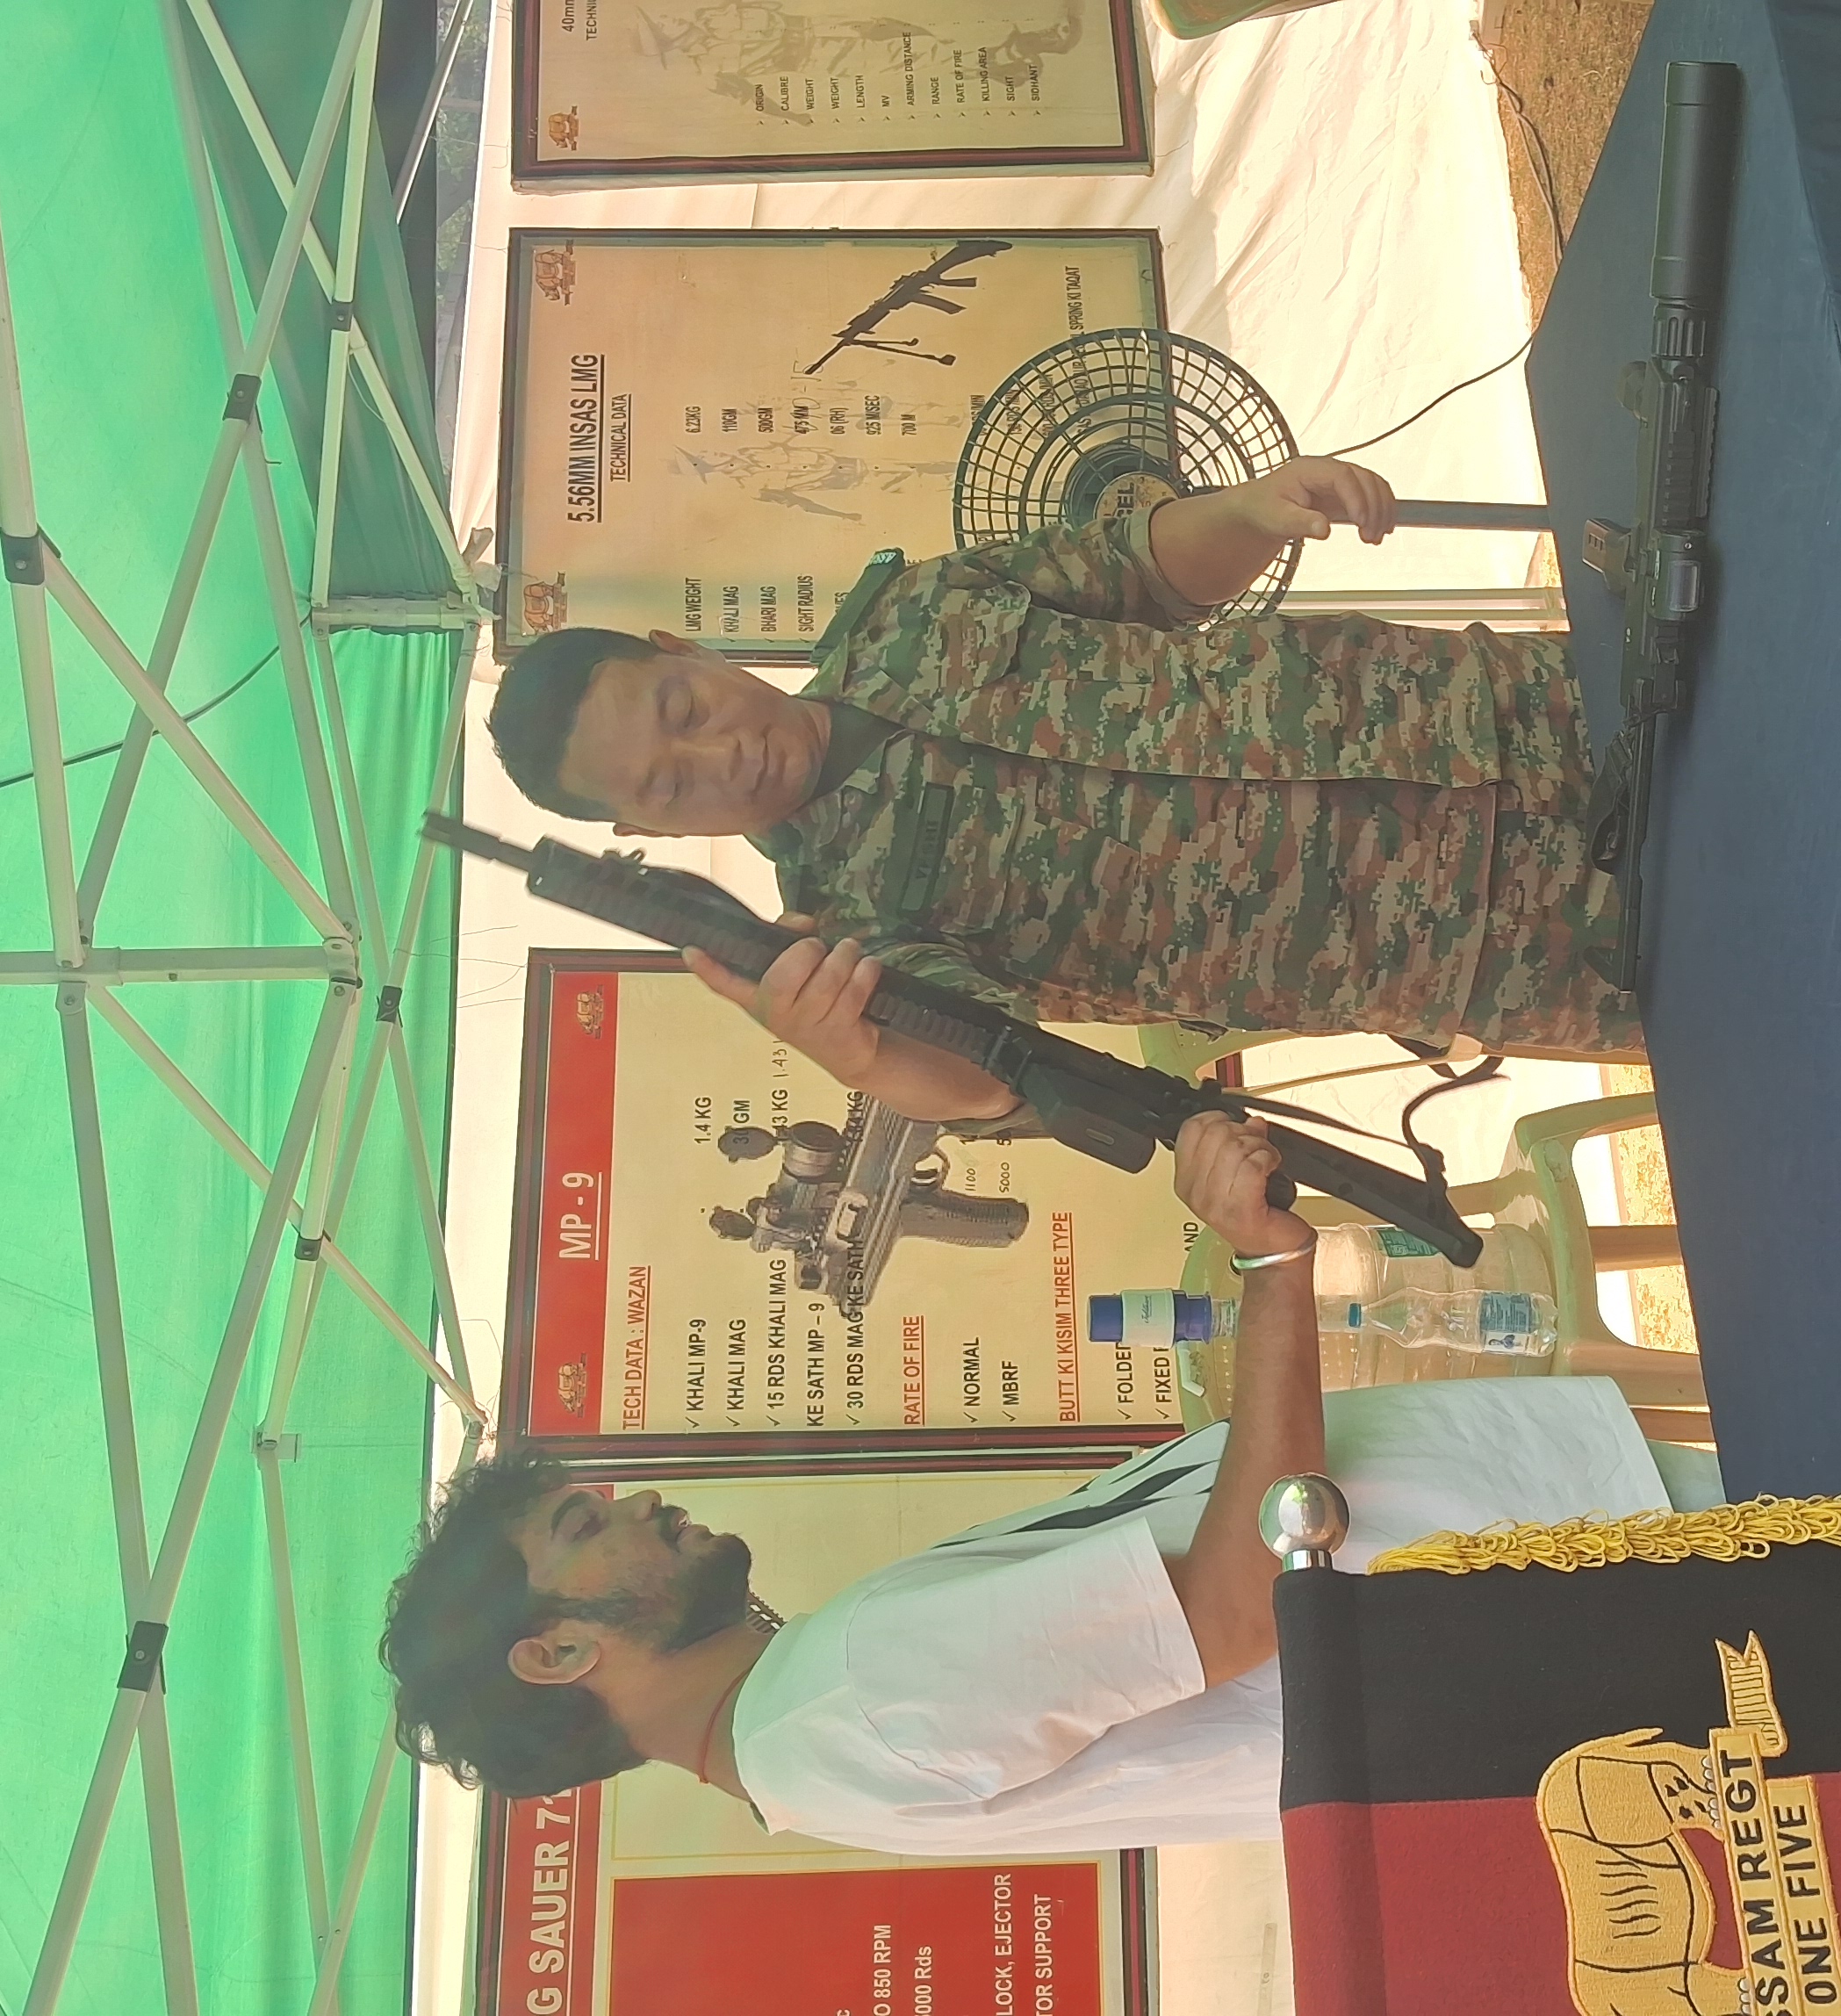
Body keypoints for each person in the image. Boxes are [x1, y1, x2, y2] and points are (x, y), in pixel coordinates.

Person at [382, 1113, 1722, 1853]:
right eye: (584, 1527)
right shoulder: (850, 1695)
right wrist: (1266, 1268)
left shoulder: (810, 1739)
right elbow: (1242, 1607)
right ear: (555, 1651)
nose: (636, 1506)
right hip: (1612, 1579)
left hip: (1581, 1607)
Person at [483, 457, 1636, 1133]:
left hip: (1509, 707)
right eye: (666, 789)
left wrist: (1247, 508)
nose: (717, 756)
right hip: (1515, 945)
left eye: (684, 710)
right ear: (644, 831)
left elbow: (1132, 571)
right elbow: (999, 1077)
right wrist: (864, 1061)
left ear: (683, 646)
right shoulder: (852, 940)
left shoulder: (913, 614)